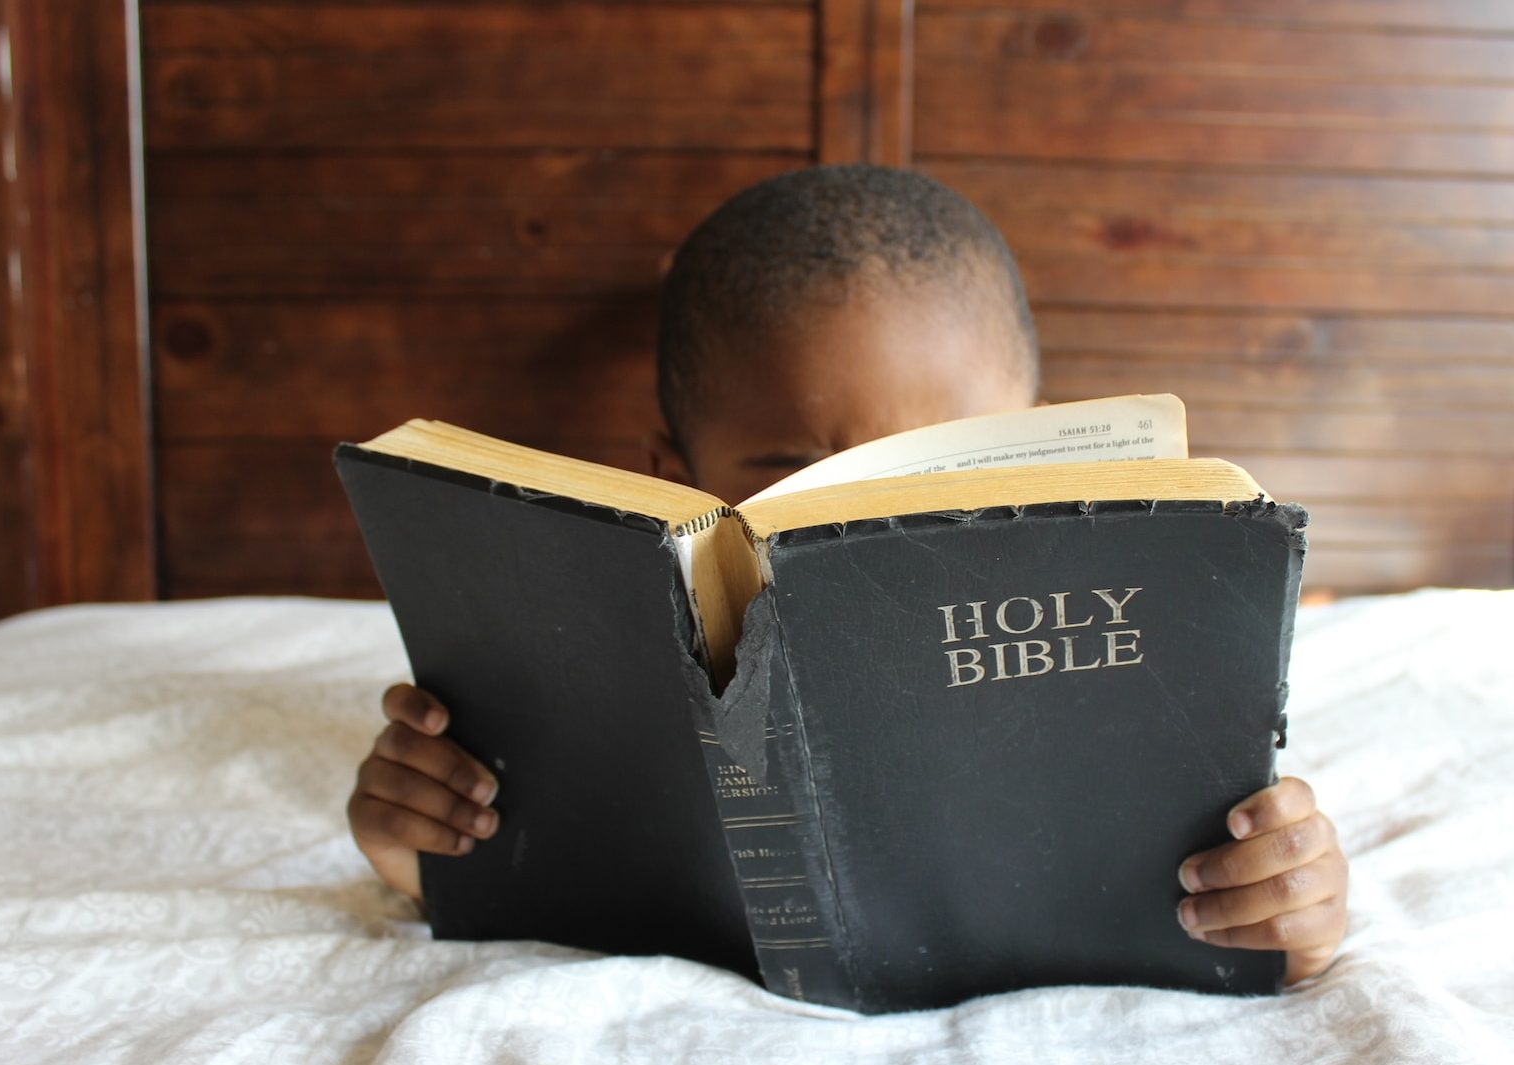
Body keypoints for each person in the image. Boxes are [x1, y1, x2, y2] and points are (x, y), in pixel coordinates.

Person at [345, 165, 1349, 986]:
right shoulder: (597, 668)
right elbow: (530, 864)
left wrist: (1285, 910)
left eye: (951, 464)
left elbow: (1255, 891)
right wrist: (428, 850)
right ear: (672, 478)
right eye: (800, 478)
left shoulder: (1133, 650)